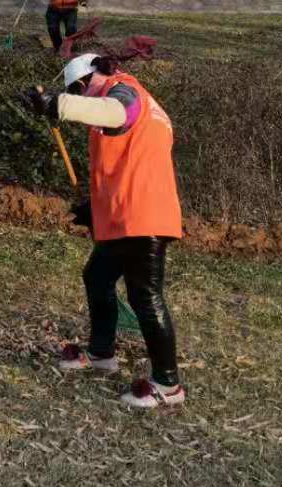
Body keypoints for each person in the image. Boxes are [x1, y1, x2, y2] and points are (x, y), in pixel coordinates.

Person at [22, 52, 185, 408]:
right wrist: (95, 208)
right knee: (97, 276)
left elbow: (116, 113)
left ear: (91, 78)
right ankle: (101, 353)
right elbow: (127, 159)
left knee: (145, 297)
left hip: (143, 214)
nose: (81, 98)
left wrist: (59, 104)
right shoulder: (132, 102)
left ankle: (168, 384)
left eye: (78, 90)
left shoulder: (124, 90)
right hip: (124, 212)